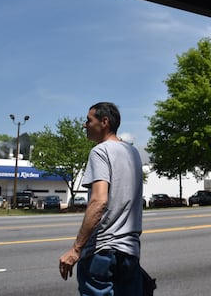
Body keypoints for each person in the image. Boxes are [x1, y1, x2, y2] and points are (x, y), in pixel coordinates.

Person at [59, 102, 144, 295]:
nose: (84, 125)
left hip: (102, 252)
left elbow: (99, 201)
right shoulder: (134, 153)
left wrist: (75, 250)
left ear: (104, 122)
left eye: (89, 120)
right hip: (130, 252)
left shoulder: (100, 151)